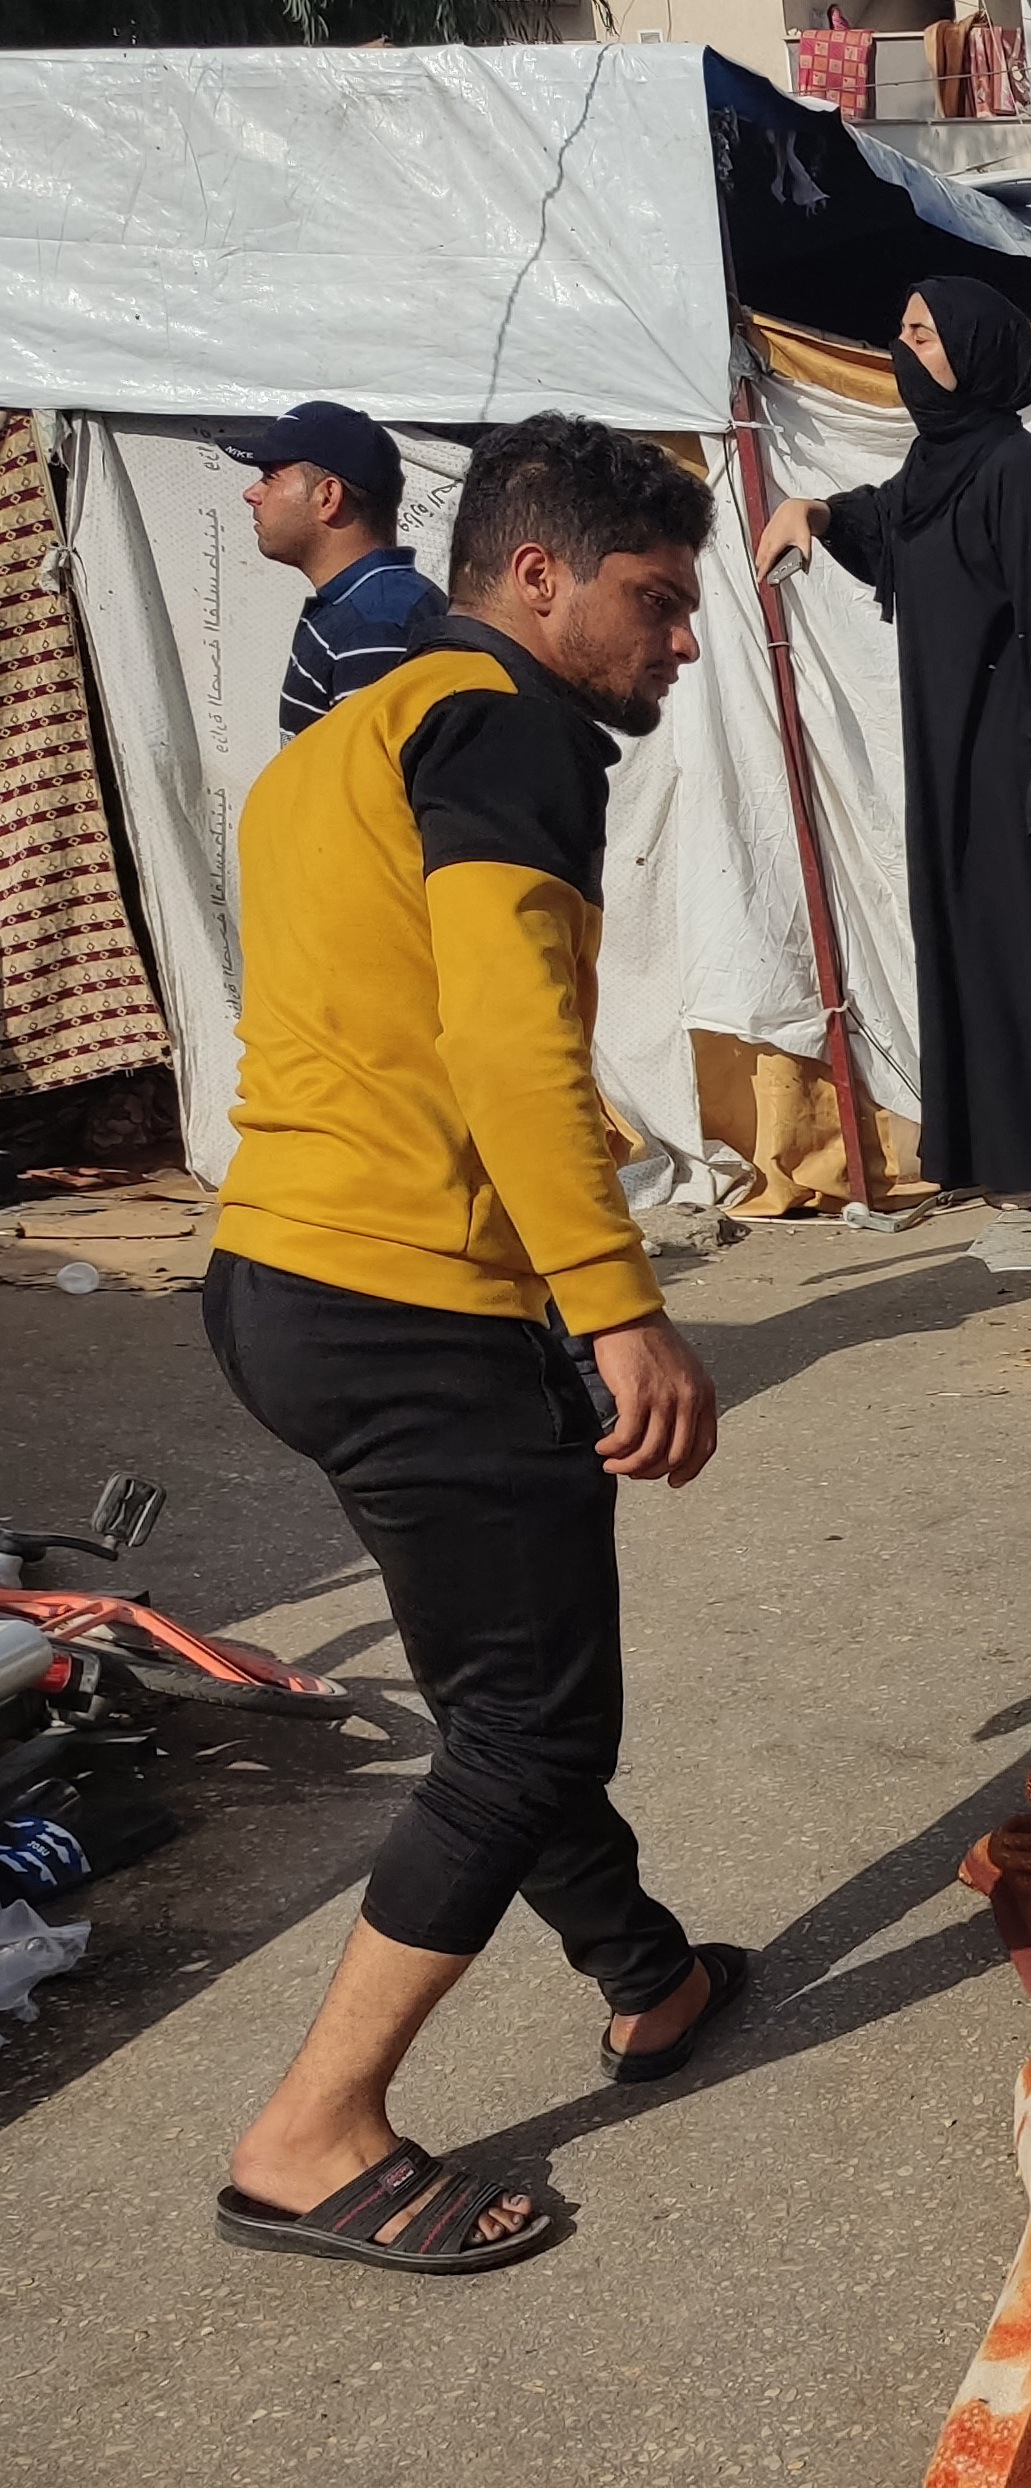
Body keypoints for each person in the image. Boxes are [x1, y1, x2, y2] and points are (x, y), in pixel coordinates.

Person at [204, 414, 739, 2276]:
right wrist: (617, 1303)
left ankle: (648, 1975)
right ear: (535, 577)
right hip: (405, 1292)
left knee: (507, 1682)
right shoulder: (505, 721)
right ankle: (310, 2132)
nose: (680, 644)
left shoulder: (326, 747)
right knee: (527, 1722)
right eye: (657, 604)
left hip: (279, 1275)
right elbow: (513, 1046)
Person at [753, 281, 1031, 1213]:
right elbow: (888, 526)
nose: (902, 353)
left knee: (1030, 948)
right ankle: (1000, 1153)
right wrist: (812, 511)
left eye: (921, 337)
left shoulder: (1021, 474)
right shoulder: (934, 470)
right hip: (952, 758)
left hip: (1024, 753)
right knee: (972, 947)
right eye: (902, 335)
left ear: (973, 350)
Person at [226, 400, 447, 738]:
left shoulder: (377, 626)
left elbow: (373, 783)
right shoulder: (364, 607)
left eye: (270, 477)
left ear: (328, 497)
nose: (250, 493)